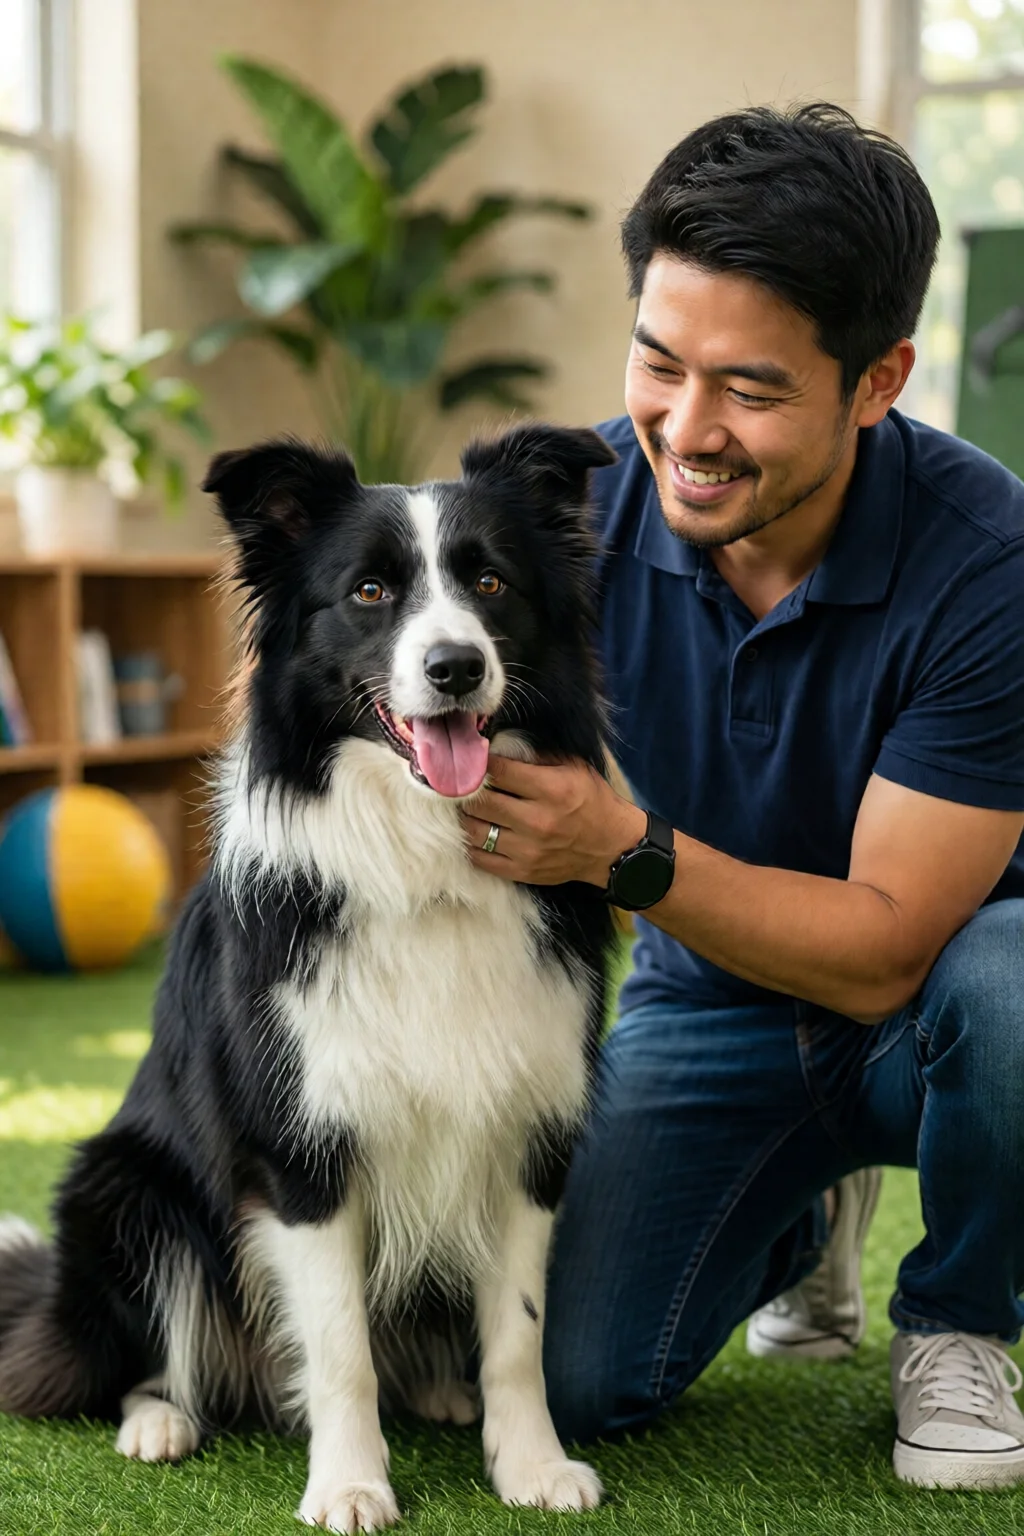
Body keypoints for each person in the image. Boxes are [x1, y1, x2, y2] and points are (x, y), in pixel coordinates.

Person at [459, 102, 1024, 1492]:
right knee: (578, 1384)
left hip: (935, 1010)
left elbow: (891, 942)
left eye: (752, 391)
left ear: (878, 380)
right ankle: (795, 1209)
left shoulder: (992, 559)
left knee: (1017, 989)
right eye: (660, 361)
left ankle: (958, 1316)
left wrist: (623, 855)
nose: (687, 430)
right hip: (705, 1006)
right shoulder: (563, 519)